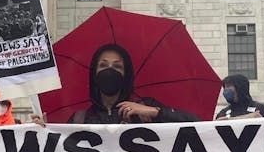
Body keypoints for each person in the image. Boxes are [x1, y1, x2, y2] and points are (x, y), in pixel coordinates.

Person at [61, 43, 198, 124]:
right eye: (103, 65)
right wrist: (41, 130)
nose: (110, 70)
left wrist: (155, 112)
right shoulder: (79, 119)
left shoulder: (145, 108)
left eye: (117, 66)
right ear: (94, 73)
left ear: (126, 74)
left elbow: (195, 124)